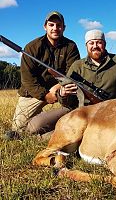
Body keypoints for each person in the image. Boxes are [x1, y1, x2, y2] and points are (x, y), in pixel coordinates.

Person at [4, 11, 80, 140]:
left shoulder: (71, 46)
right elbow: (28, 80)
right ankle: (45, 131)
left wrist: (56, 88)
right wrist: (45, 95)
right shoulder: (32, 47)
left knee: (75, 111)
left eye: (59, 25)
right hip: (34, 93)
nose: (55, 28)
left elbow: (72, 73)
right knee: (18, 130)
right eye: (51, 25)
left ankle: (67, 121)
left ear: (64, 28)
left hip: (60, 89)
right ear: (45, 26)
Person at [57, 29, 116, 109]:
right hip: (81, 112)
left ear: (104, 44)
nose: (95, 46)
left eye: (99, 42)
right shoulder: (77, 66)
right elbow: (67, 102)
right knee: (44, 120)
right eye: (91, 43)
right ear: (86, 46)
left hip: (112, 111)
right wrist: (63, 94)